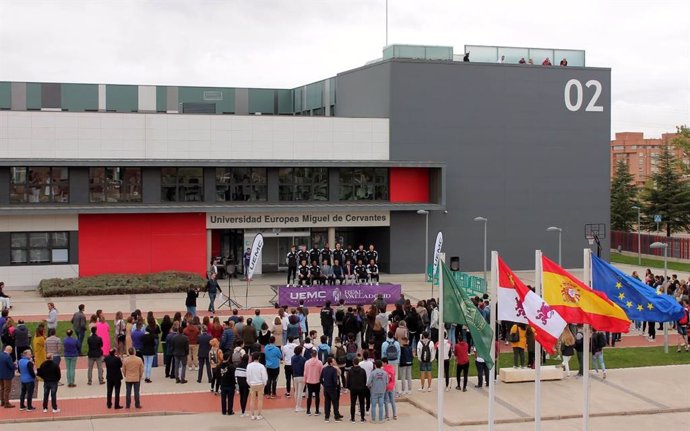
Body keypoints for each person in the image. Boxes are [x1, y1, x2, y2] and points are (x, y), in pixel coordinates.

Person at [246, 351, 268, 420]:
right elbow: (264, 376)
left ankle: (252, 415)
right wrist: (265, 383)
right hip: (260, 384)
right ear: (259, 357)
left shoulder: (249, 365)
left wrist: (249, 383)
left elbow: (248, 376)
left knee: (252, 400)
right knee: (260, 400)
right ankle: (259, 415)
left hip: (252, 384)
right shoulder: (261, 366)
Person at [321, 356, 343, 422]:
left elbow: (320, 378)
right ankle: (336, 417)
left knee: (327, 402)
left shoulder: (324, 369)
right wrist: (335, 386)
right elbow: (335, 380)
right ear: (331, 362)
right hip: (333, 388)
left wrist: (324, 384)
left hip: (326, 387)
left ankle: (326, 417)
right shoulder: (334, 369)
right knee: (335, 402)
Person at [367, 360, 388, 424]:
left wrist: (370, 387)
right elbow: (387, 382)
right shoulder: (385, 373)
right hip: (382, 391)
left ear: (375, 365)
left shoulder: (373, 373)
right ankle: (381, 419)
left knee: (373, 405)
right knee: (381, 405)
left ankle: (373, 420)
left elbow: (368, 383)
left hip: (374, 391)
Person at [304, 350, 323, 416]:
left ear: (311, 354)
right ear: (316, 354)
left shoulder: (307, 362)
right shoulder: (320, 362)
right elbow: (321, 372)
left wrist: (305, 380)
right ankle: (317, 411)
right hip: (317, 381)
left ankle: (308, 411)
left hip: (309, 381)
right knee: (317, 396)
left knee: (309, 396)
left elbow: (305, 372)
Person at [348, 357, 367, 422]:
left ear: (353, 362)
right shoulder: (363, 370)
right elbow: (365, 380)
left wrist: (349, 387)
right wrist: (363, 386)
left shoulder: (350, 371)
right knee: (362, 403)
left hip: (353, 388)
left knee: (353, 403)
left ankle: (352, 418)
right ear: (358, 362)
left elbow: (348, 380)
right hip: (361, 388)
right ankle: (362, 418)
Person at [291, 344, 306, 411]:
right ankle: (298, 406)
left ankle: (296, 405)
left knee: (296, 391)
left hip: (295, 376)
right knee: (300, 392)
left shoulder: (292, 358)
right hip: (301, 376)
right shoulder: (303, 359)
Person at [235, 350, 250, 417]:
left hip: (240, 382)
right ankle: (243, 410)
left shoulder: (238, 365)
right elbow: (248, 375)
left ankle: (242, 410)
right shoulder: (248, 366)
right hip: (246, 383)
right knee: (245, 397)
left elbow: (236, 374)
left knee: (241, 397)